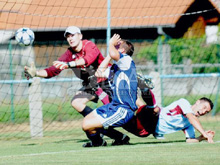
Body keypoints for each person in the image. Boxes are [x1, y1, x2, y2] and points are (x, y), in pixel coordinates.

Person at [24, 26, 112, 117]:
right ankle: (97, 122)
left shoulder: (89, 45)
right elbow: (53, 70)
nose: (70, 38)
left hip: (107, 80)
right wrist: (36, 73)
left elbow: (87, 60)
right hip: (92, 84)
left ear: (80, 36)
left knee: (116, 111)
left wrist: (69, 64)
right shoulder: (69, 54)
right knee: (76, 102)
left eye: (72, 35)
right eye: (68, 36)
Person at [82, 34, 138, 147]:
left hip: (124, 109)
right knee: (86, 121)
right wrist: (109, 56)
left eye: (118, 45)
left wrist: (111, 43)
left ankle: (117, 138)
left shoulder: (127, 61)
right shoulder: (115, 67)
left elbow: (114, 53)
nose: (115, 45)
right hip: (113, 106)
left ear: (122, 50)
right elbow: (99, 73)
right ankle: (102, 142)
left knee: (88, 125)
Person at [123, 95, 215, 143]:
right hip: (153, 116)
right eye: (204, 107)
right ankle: (142, 89)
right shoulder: (184, 103)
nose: (203, 112)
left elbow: (189, 140)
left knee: (121, 121)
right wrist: (204, 133)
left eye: (206, 112)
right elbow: (192, 118)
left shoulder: (189, 124)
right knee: (154, 109)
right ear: (198, 102)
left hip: (147, 130)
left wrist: (201, 138)